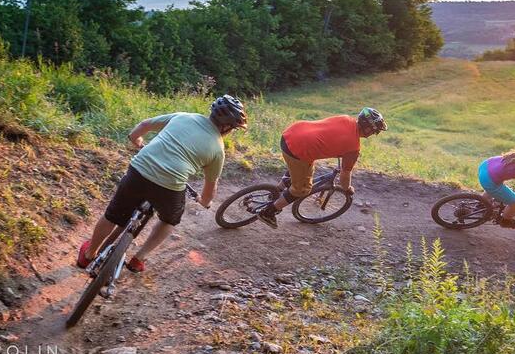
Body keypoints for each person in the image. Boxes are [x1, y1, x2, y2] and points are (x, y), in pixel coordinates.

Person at [77, 95, 247, 272]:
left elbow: (144, 125)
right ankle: (138, 259)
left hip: (139, 171)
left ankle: (89, 254)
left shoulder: (184, 116)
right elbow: (210, 186)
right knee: (169, 221)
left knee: (112, 215)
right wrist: (204, 202)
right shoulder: (218, 149)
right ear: (227, 126)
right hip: (170, 186)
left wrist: (136, 140)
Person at [255, 108, 387, 228]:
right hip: (297, 149)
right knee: (302, 189)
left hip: (291, 132)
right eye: (375, 131)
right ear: (368, 129)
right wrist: (347, 188)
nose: (374, 134)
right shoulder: (354, 148)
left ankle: (276, 191)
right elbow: (345, 174)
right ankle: (268, 212)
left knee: (304, 166)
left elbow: (331, 134)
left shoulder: (345, 118)